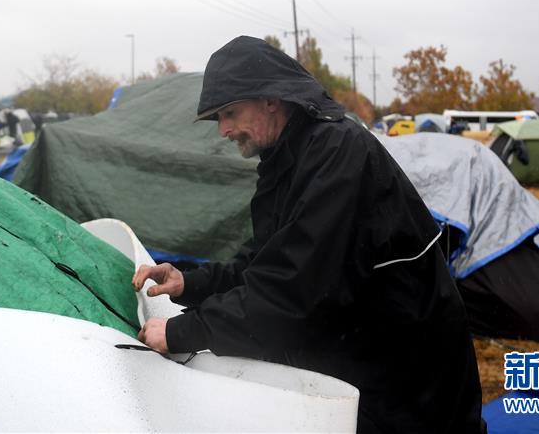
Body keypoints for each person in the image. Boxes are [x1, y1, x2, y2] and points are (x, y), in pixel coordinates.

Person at [132, 35, 484, 433]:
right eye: (218, 119)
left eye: (230, 112)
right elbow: (266, 260)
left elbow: (292, 289)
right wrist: (189, 283)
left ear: (270, 99)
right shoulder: (288, 158)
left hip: (410, 382)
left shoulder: (338, 153)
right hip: (360, 366)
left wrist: (182, 332)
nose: (224, 131)